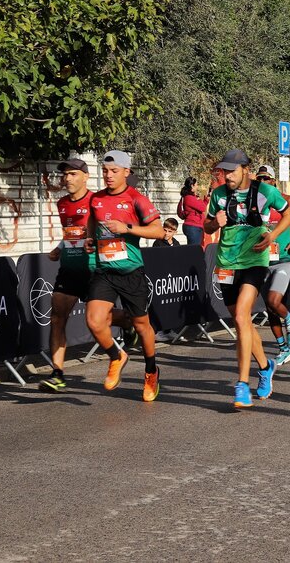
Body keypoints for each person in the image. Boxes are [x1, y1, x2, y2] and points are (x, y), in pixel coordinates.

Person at [203, 149, 290, 407]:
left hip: (254, 261)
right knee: (241, 322)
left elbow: (289, 213)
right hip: (226, 263)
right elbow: (207, 225)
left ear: (246, 169)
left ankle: (242, 384)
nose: (227, 176)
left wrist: (273, 235)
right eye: (224, 171)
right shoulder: (219, 195)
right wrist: (215, 223)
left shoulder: (265, 192)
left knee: (243, 316)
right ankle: (265, 367)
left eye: (231, 171)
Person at [41, 159, 134, 392]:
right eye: (65, 175)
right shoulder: (62, 203)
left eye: (73, 174)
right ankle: (57, 374)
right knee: (57, 317)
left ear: (85, 176)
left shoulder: (97, 200)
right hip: (70, 269)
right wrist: (59, 249)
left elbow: (108, 228)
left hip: (96, 268)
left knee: (100, 318)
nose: (68, 179)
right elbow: (71, 234)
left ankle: (129, 322)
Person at [84, 151, 165, 401]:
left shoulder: (136, 198)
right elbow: (92, 225)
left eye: (114, 171)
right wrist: (90, 240)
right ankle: (117, 356)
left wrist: (127, 228)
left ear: (126, 173)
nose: (108, 175)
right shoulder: (96, 199)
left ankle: (151, 371)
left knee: (142, 326)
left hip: (131, 271)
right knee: (95, 321)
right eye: (105, 171)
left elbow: (159, 231)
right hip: (104, 271)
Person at [256, 166, 290, 366]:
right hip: (261, 261)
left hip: (284, 260)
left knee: (273, 299)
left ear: (273, 181)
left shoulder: (287, 200)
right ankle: (283, 350)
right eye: (259, 178)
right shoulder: (253, 203)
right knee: (270, 309)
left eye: (266, 178)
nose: (263, 182)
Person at [177, 176, 207, 247]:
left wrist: (206, 200)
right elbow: (202, 208)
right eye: (196, 185)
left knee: (194, 249)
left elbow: (200, 208)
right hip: (193, 226)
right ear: (192, 186)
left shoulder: (190, 197)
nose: (197, 187)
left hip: (194, 226)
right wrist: (199, 198)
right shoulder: (189, 198)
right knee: (194, 250)